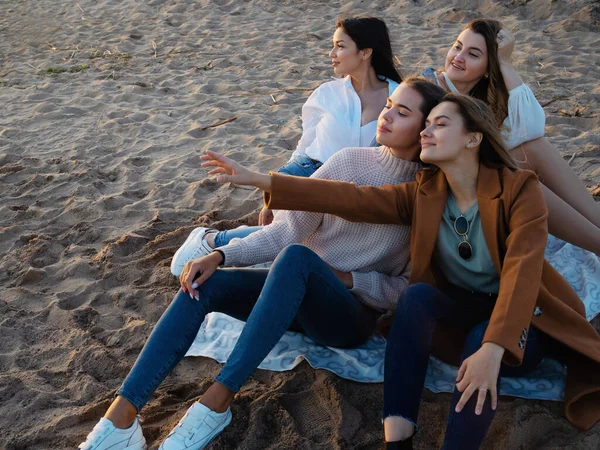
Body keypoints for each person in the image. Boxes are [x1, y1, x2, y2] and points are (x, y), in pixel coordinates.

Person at [201, 94, 600, 449]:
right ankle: (398, 438)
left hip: (521, 322)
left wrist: (493, 349)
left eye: (440, 124)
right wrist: (259, 179)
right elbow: (349, 198)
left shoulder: (518, 189)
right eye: (426, 124)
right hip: (459, 312)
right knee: (416, 296)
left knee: (481, 345)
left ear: (473, 138)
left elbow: (522, 271)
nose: (427, 131)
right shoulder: (426, 192)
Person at [77, 77, 446, 450]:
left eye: (402, 112)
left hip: (347, 317)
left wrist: (347, 279)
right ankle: (121, 418)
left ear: (425, 129)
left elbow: (405, 290)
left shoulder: (428, 198)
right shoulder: (348, 160)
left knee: (298, 258)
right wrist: (221, 255)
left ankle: (216, 403)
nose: (386, 116)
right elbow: (285, 233)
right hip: (289, 294)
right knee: (206, 285)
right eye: (388, 106)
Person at [170, 16, 402, 276]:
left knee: (319, 244)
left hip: (364, 192)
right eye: (333, 46)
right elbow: (304, 151)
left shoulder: (399, 96)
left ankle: (219, 242)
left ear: (366, 52)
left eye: (340, 46)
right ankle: (212, 241)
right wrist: (275, 195)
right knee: (293, 235)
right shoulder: (327, 94)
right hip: (311, 175)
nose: (332, 53)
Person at [422, 18, 600, 256]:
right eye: (457, 46)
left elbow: (532, 128)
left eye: (473, 54)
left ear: (488, 68)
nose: (458, 57)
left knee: (533, 148)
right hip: (444, 191)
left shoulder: (479, 100)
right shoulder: (433, 89)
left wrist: (504, 63)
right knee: (515, 174)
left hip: (478, 183)